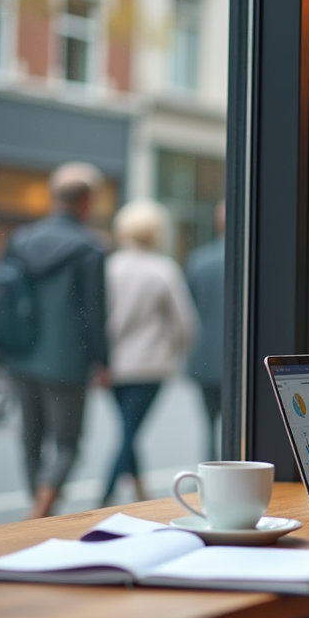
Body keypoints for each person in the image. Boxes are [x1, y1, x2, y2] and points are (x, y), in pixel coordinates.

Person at [4, 162, 109, 520]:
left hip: (21, 355)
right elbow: (94, 312)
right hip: (68, 359)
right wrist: (103, 360)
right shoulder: (90, 248)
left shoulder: (20, 240)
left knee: (30, 439)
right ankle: (42, 511)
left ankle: (39, 508)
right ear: (86, 203)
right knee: (67, 443)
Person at [99, 199, 197, 506]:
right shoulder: (163, 270)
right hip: (151, 366)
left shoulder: (108, 267)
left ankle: (139, 494)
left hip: (113, 366)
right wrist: (177, 352)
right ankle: (106, 496)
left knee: (129, 429)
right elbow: (185, 324)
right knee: (130, 433)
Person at [185, 200, 225, 460]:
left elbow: (187, 309)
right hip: (239, 360)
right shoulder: (255, 259)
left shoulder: (199, 260)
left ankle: (210, 473)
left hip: (203, 356)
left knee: (209, 424)